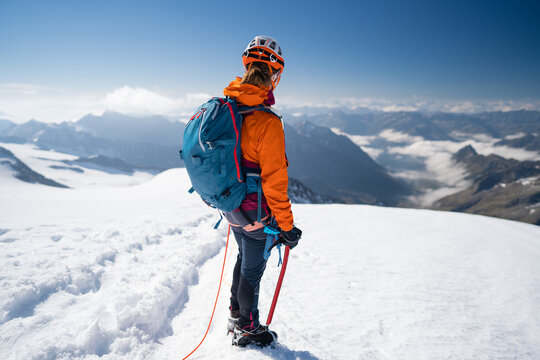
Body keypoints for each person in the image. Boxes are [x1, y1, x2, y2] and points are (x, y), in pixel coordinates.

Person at [223, 35, 302, 347]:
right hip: (256, 211)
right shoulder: (266, 121)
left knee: (244, 259)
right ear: (273, 75)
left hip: (231, 206)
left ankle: (235, 314)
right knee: (252, 272)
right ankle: (248, 326)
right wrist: (286, 226)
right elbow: (274, 181)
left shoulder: (229, 108)